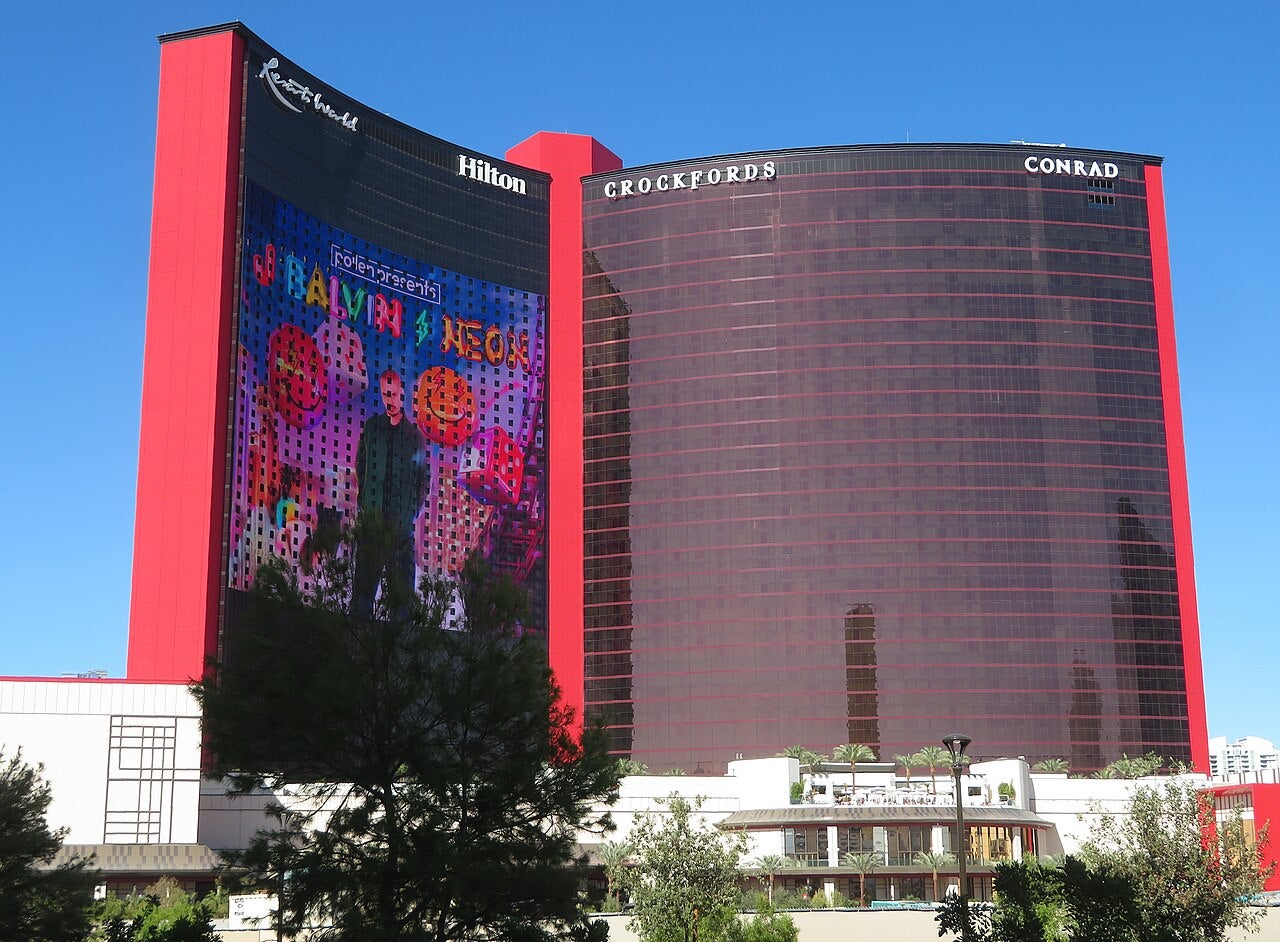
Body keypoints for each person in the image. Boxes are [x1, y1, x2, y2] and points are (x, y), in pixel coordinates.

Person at [352, 368, 423, 615]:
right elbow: (361, 463)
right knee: (361, 595)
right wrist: (365, 500)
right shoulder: (372, 428)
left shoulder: (414, 437)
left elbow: (423, 479)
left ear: (402, 392)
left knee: (401, 602)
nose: (389, 400)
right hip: (373, 526)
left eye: (393, 394)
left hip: (400, 531)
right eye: (385, 394)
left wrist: (410, 512)